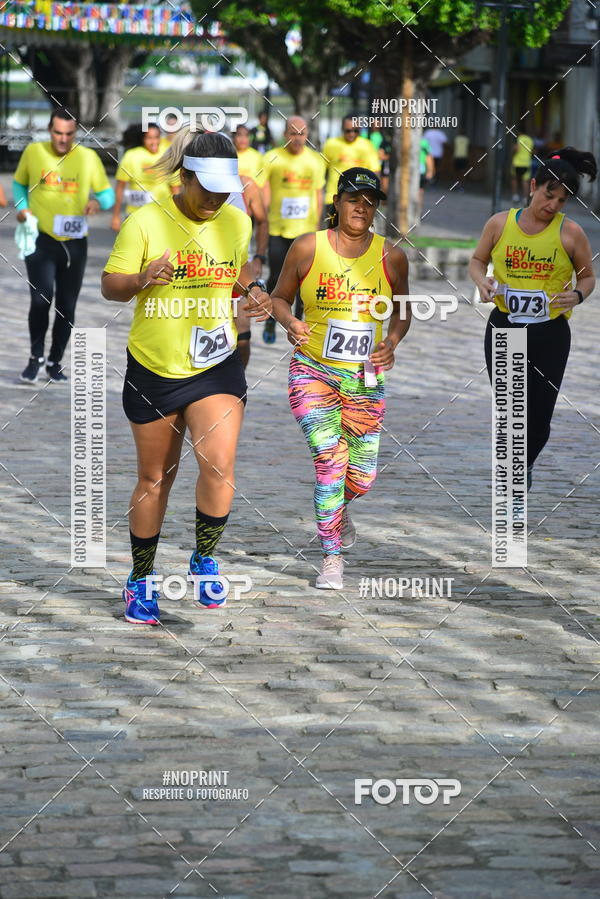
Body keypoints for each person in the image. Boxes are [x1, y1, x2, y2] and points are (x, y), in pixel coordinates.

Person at [101, 130, 272, 624]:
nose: (216, 199)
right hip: (154, 368)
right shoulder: (146, 222)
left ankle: (203, 557)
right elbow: (111, 286)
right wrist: (140, 278)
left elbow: (234, 274)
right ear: (184, 176)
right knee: (157, 477)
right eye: (208, 189)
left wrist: (252, 295)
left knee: (218, 466)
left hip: (214, 364)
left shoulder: (235, 222)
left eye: (224, 190)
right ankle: (141, 579)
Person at [270, 167, 411, 589]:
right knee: (330, 462)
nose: (361, 209)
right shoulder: (307, 247)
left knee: (361, 476)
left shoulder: (392, 256)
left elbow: (403, 309)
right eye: (354, 200)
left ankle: (338, 509)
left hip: (366, 376)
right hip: (311, 371)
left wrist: (394, 341)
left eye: (370, 202)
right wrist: (291, 322)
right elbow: (278, 297)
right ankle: (332, 558)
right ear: (337, 202)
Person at [469, 147, 596, 491]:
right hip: (506, 325)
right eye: (548, 194)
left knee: (538, 416)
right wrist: (482, 281)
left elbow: (587, 276)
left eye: (562, 200)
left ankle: (522, 465)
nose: (552, 204)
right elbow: (478, 261)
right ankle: (513, 473)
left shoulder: (571, 234)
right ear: (533, 187)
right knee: (511, 409)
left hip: (551, 333)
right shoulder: (499, 223)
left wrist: (579, 295)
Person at [15, 108, 115, 383]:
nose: (63, 139)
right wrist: (23, 209)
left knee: (66, 306)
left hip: (74, 243)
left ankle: (54, 361)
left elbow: (107, 195)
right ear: (50, 130)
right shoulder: (34, 152)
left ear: (76, 133)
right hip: (41, 239)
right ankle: (35, 357)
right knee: (40, 299)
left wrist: (98, 203)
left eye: (69, 134)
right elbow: (18, 185)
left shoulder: (87, 157)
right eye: (58, 133)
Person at [258, 116, 325, 343]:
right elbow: (264, 189)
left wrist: (317, 226)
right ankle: (270, 319)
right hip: (278, 228)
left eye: (302, 133)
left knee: (303, 280)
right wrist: (265, 217)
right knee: (276, 276)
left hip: (304, 231)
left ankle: (296, 323)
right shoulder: (272, 158)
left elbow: (318, 193)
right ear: (285, 135)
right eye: (293, 133)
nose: (298, 138)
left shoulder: (315, 161)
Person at [111, 122, 177, 232]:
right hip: (135, 214)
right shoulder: (131, 155)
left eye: (156, 137)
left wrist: (176, 215)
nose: (154, 142)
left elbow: (175, 189)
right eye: (149, 138)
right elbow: (120, 187)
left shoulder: (168, 155)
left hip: (162, 214)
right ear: (142, 139)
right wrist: (116, 216)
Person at [323, 115, 380, 216]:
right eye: (348, 131)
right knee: (332, 231)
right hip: (334, 198)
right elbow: (321, 170)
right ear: (342, 129)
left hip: (359, 199)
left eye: (356, 131)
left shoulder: (367, 145)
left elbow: (375, 172)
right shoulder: (331, 144)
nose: (352, 134)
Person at [511, 131, 534, 205]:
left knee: (515, 179)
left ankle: (515, 196)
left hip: (517, 162)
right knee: (525, 181)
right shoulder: (530, 140)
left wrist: (513, 149)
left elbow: (517, 149)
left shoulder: (519, 138)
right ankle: (525, 199)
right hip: (526, 163)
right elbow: (532, 151)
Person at [418, 136, 434, 218]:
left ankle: (418, 211)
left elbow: (428, 156)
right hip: (409, 170)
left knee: (420, 192)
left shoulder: (423, 142)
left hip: (421, 170)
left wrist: (430, 170)